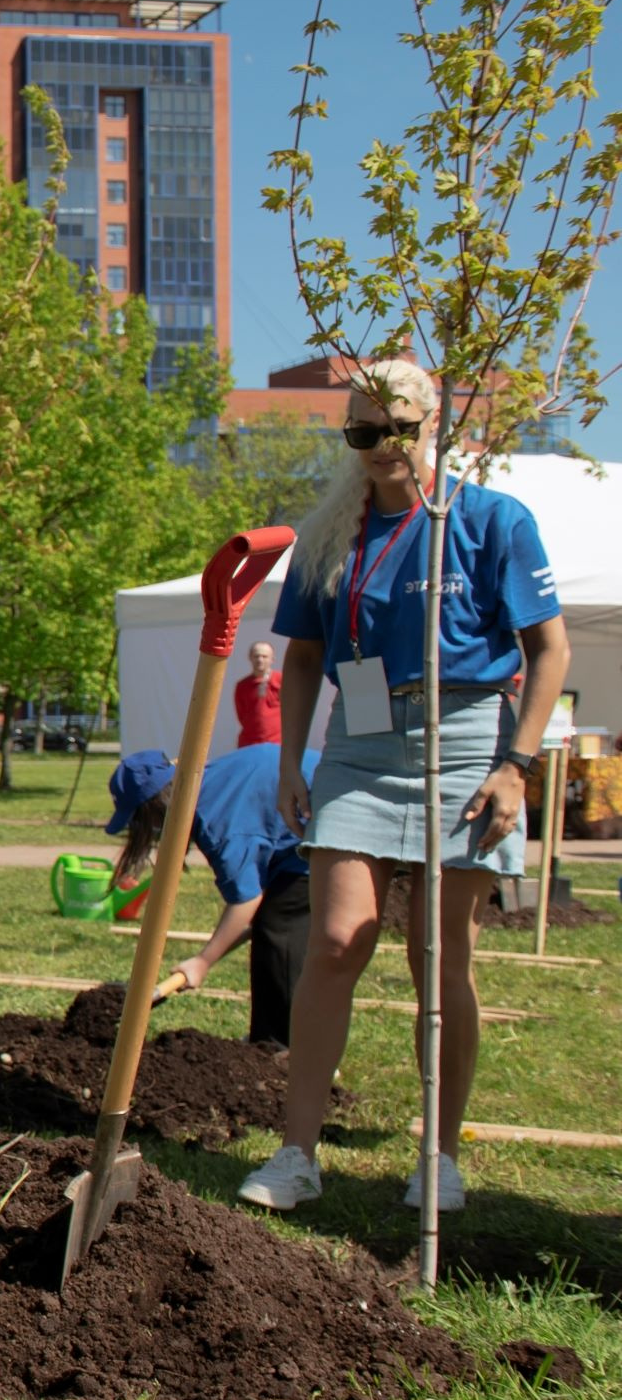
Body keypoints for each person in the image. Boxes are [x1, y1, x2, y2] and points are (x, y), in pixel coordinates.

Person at [237, 360, 569, 1215]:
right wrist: (288, 763)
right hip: (361, 741)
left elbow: (548, 651)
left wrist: (515, 765)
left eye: (396, 429)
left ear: (434, 427)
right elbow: (305, 659)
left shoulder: (491, 520)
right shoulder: (328, 538)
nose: (380, 447)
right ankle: (296, 1151)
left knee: (438, 953)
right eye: (361, 432)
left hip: (468, 742)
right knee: (338, 938)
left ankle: (438, 1155)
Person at [105, 741, 320, 1050]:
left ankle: (289, 1050)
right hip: (294, 828)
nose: (150, 832)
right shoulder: (203, 788)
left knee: (280, 928)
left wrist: (204, 961)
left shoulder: (219, 823)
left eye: (145, 822)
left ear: (157, 808)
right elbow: (250, 909)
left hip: (323, 824)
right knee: (270, 925)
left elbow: (246, 900)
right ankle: (270, 1040)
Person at [235, 640, 284, 749]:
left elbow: (291, 710)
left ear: (272, 659)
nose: (260, 660)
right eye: (256, 656)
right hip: (250, 744)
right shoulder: (242, 685)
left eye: (264, 656)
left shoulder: (282, 680)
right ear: (250, 658)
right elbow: (241, 715)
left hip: (278, 744)